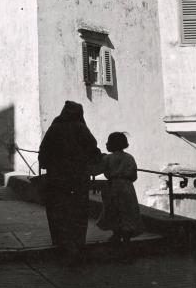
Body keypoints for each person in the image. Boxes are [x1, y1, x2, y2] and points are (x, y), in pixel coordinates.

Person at [38, 100, 102, 264]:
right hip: (77, 178)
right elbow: (93, 151)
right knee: (78, 211)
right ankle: (76, 244)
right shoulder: (81, 128)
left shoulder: (54, 128)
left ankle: (60, 242)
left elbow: (43, 155)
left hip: (56, 179)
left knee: (57, 210)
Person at [96, 132, 144, 250]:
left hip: (112, 187)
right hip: (127, 187)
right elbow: (134, 176)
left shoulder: (107, 158)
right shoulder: (129, 157)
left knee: (114, 211)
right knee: (127, 212)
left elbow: (98, 170)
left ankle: (116, 235)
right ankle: (126, 240)